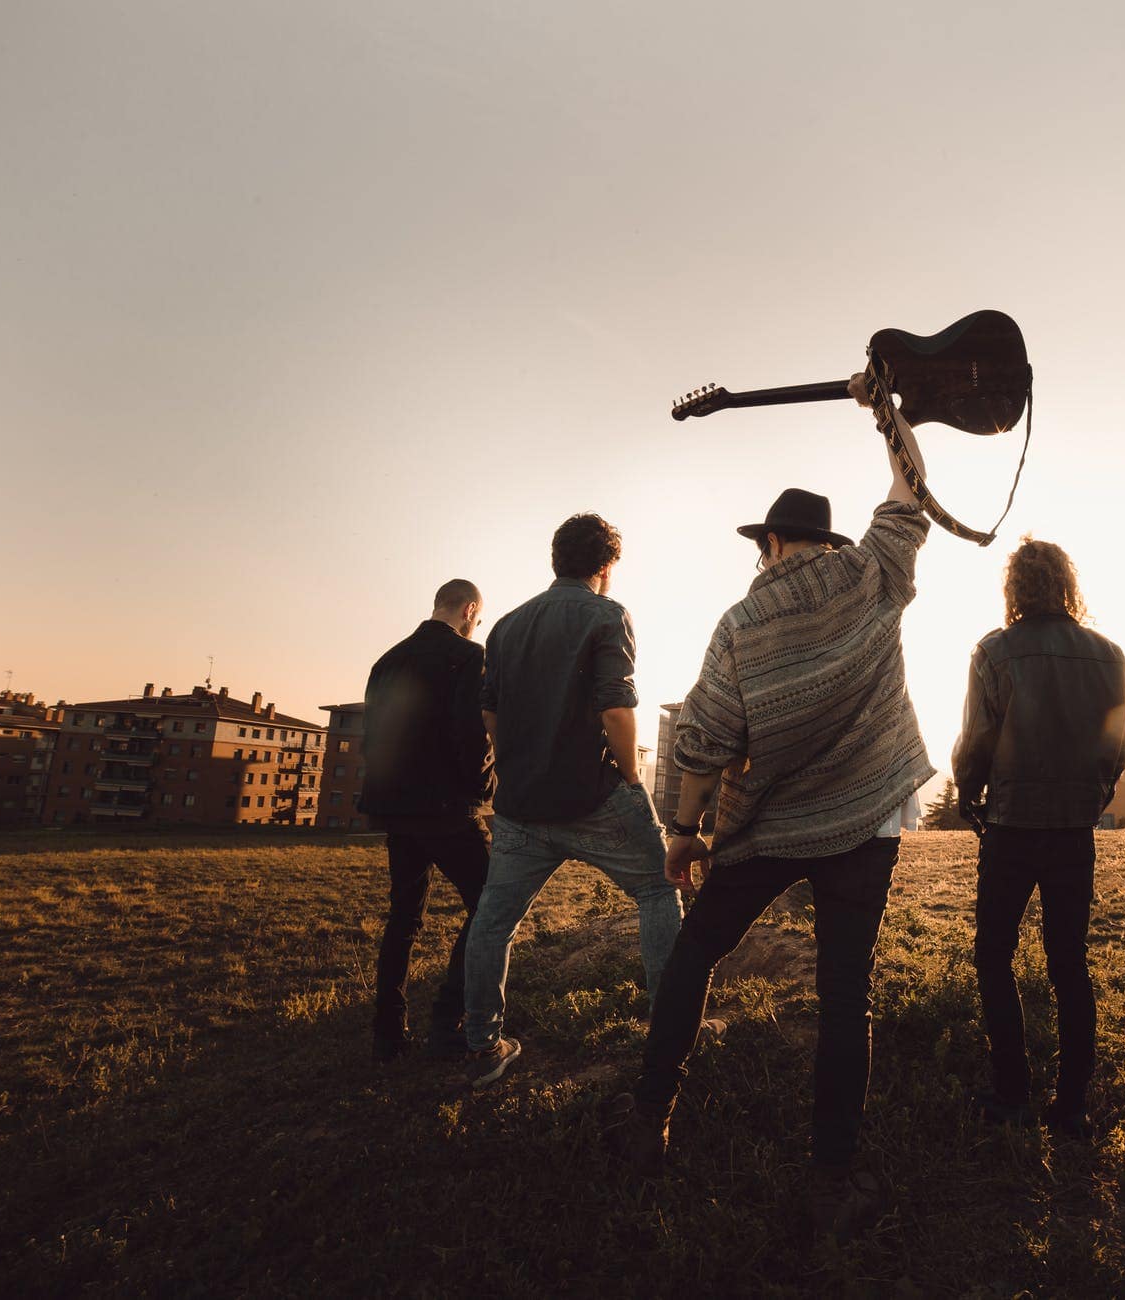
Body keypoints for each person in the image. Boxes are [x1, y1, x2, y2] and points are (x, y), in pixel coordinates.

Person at [610, 366, 935, 1243]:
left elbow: (703, 742)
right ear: (821, 541)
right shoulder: (873, 575)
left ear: (771, 547)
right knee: (844, 995)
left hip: (766, 832)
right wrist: (885, 415)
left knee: (694, 957)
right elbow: (911, 493)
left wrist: (681, 833)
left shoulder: (739, 624)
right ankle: (831, 1179)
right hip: (866, 822)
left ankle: (649, 1118)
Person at [460, 514, 684, 1089]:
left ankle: (484, 1047)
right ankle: (670, 1032)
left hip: (520, 805)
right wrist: (632, 779)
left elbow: (489, 712)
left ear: (555, 559)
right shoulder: (607, 615)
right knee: (658, 888)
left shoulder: (505, 627)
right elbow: (616, 708)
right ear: (606, 567)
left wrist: (518, 758)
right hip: (594, 797)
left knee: (492, 923)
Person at [951, 538, 1125, 1139]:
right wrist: (1095, 794)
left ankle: (1011, 1091)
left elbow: (977, 738)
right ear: (1066, 584)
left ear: (1015, 589)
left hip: (1011, 826)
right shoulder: (1110, 655)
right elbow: (1119, 744)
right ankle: (1072, 1105)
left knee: (993, 957)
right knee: (1069, 962)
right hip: (1074, 829)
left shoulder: (994, 650)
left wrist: (967, 793)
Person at [358, 579, 495, 1062]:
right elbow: (472, 738)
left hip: (396, 807)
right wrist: (486, 792)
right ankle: (447, 1022)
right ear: (470, 610)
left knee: (404, 918)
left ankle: (388, 1034)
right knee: (491, 904)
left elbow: (375, 735)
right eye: (476, 617)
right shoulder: (469, 656)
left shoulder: (387, 661)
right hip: (447, 809)